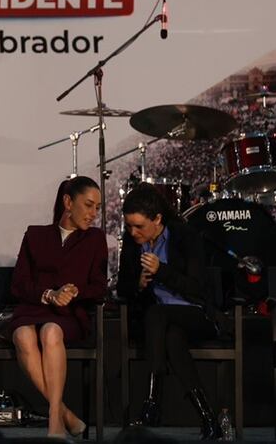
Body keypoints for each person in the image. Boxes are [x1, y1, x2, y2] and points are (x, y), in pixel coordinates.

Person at [117, 183, 223, 440]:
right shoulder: (133, 244)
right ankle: (210, 420)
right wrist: (139, 285)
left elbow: (197, 288)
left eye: (139, 226)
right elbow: (122, 288)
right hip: (161, 324)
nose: (133, 232)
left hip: (196, 313)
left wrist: (161, 271)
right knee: (172, 337)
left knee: (158, 315)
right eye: (129, 226)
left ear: (157, 219)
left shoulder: (185, 237)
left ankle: (153, 400)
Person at [6, 176, 107, 439]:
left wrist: (75, 291)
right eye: (88, 205)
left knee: (50, 331)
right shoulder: (35, 235)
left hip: (69, 315)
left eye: (97, 207)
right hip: (34, 308)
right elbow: (18, 285)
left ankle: (54, 421)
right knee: (22, 335)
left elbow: (99, 287)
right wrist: (49, 294)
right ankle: (66, 415)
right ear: (67, 202)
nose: (93, 213)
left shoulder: (95, 239)